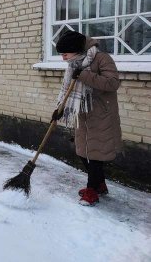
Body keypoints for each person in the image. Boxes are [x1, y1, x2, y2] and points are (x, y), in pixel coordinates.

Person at [51, 31, 122, 206]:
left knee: (95, 155)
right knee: (83, 152)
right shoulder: (74, 63)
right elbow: (68, 90)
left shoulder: (101, 58)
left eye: (65, 54)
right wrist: (59, 109)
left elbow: (113, 83)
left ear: (76, 49)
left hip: (101, 115)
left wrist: (83, 74)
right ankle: (100, 184)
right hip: (82, 114)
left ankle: (92, 191)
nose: (63, 58)